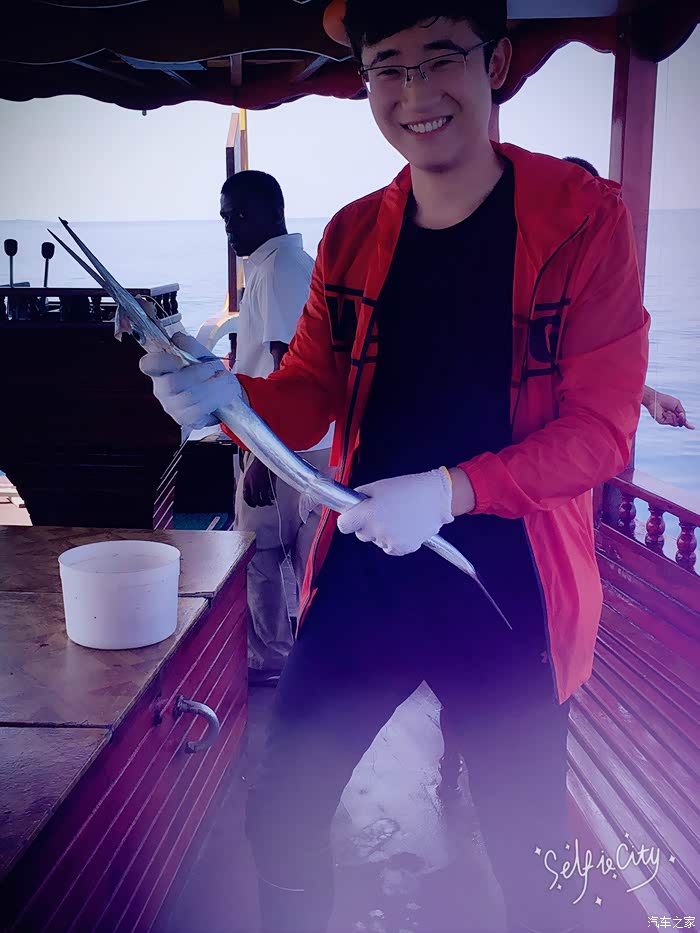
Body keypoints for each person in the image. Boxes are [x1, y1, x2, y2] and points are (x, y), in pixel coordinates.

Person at [140, 4, 649, 932]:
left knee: (531, 848)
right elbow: (308, 394)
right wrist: (222, 397)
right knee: (281, 807)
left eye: (440, 58)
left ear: (497, 62)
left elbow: (600, 434)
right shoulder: (350, 237)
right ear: (366, 79)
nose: (415, 92)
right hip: (366, 571)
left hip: (509, 585)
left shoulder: (584, 220)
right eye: (388, 66)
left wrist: (453, 490)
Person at [220, 170, 335, 684]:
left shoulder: (278, 270)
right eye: (226, 218)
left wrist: (265, 459)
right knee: (304, 553)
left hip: (285, 447)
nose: (231, 228)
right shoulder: (287, 264)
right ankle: (318, 656)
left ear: (274, 212)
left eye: (240, 215)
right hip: (298, 443)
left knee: (261, 553)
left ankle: (272, 659)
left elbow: (289, 366)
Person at [563, 157, 693, 430]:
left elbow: (595, 361)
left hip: (568, 433)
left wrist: (647, 397)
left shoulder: (596, 284)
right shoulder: (521, 271)